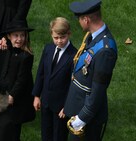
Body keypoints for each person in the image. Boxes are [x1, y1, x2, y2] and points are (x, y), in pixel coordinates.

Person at [63, 0, 118, 141]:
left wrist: (82, 118)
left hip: (87, 118)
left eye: (80, 19)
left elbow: (98, 89)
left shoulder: (105, 50)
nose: (79, 23)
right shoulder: (92, 36)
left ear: (86, 20)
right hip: (78, 108)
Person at [32, 17, 77, 141]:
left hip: (61, 107)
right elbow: (41, 73)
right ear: (51, 34)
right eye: (55, 38)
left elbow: (72, 84)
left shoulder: (74, 55)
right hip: (46, 102)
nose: (59, 41)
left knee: (59, 136)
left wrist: (67, 107)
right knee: (46, 134)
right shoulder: (48, 49)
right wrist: (36, 95)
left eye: (62, 37)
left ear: (69, 34)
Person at [0, 20, 36, 141]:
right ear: (9, 37)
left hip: (18, 96)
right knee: (3, 124)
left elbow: (22, 79)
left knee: (14, 125)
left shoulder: (26, 56)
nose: (19, 39)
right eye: (16, 35)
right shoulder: (8, 50)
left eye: (22, 35)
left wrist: (12, 95)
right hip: (6, 91)